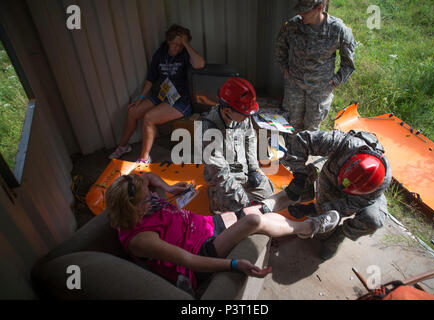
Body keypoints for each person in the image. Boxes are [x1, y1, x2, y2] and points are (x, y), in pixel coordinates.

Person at [105, 172, 339, 294]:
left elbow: (148, 178)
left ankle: (291, 202)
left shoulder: (134, 193)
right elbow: (189, 261)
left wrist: (165, 187)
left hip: (203, 224)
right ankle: (309, 228)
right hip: (201, 250)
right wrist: (234, 264)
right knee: (253, 221)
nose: (152, 197)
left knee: (257, 209)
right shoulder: (141, 239)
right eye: (147, 199)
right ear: (131, 208)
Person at [281, 129, 392, 260]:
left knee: (373, 219)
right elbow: (302, 140)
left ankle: (340, 235)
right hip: (331, 178)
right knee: (322, 231)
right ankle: (313, 199)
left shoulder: (380, 182)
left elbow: (352, 204)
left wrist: (313, 209)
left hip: (361, 198)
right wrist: (300, 175)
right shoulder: (341, 143)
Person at [109, 24, 205, 163]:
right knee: (133, 112)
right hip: (162, 95)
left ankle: (144, 158)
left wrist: (185, 44)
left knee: (149, 118)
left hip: (180, 100)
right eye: (175, 44)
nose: (178, 48)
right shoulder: (160, 54)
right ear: (168, 41)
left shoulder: (185, 54)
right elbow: (150, 78)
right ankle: (123, 147)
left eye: (181, 45)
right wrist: (140, 97)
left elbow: (200, 64)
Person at [274, 0, 356, 134]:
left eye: (305, 11)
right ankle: (290, 154)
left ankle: (305, 153)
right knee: (290, 126)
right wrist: (284, 67)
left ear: (319, 8)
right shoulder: (293, 26)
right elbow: (280, 48)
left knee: (311, 131)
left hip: (320, 90)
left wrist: (336, 81)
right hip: (295, 86)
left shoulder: (338, 30)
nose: (301, 14)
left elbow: (348, 63)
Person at [201, 77, 274, 213]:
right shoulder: (209, 129)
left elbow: (250, 139)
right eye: (244, 114)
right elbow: (218, 173)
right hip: (223, 180)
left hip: (244, 173)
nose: (247, 118)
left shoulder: (240, 116)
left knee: (270, 196)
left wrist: (253, 169)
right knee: (238, 213)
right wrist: (245, 200)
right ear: (227, 110)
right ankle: (214, 196)